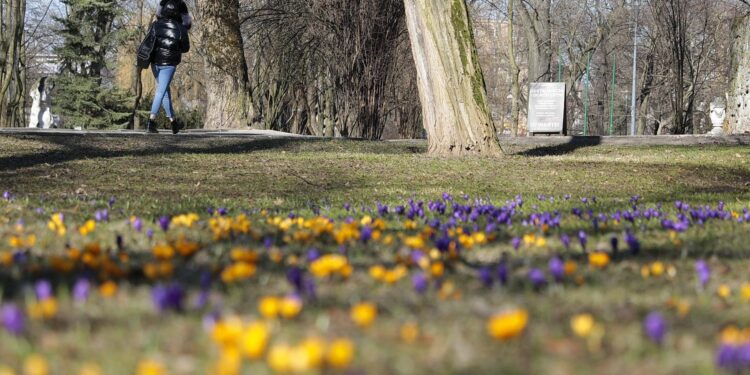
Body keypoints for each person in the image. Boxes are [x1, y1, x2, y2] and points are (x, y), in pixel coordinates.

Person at [147, 0, 190, 134]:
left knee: (165, 92)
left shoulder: (155, 25)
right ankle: (151, 122)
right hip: (169, 64)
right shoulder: (181, 28)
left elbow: (150, 41)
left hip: (155, 63)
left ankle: (173, 122)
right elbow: (185, 48)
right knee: (161, 92)